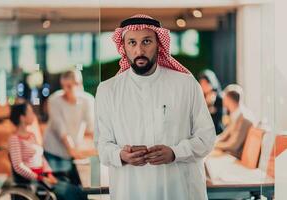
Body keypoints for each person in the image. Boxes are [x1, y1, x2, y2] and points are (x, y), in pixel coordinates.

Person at [94, 14, 216, 200]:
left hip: (179, 191)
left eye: (147, 41)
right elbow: (102, 146)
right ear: (123, 47)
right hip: (130, 190)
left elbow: (206, 138)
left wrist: (175, 153)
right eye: (132, 43)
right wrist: (121, 155)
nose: (139, 50)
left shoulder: (186, 84)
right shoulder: (107, 90)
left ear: (159, 44)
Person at [8, 102, 87, 200]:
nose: (34, 115)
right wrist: (39, 177)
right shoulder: (14, 139)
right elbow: (18, 166)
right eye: (30, 112)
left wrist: (48, 173)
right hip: (32, 181)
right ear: (22, 117)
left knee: (78, 191)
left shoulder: (31, 135)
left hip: (43, 177)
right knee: (70, 194)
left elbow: (41, 157)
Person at [43, 69, 95, 185]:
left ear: (80, 84)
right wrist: (72, 150)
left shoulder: (88, 100)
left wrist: (100, 146)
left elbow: (92, 128)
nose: (69, 89)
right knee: (62, 189)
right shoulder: (54, 100)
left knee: (77, 188)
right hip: (54, 150)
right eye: (66, 86)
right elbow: (61, 130)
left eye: (73, 85)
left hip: (73, 151)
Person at [214, 84, 253, 159]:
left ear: (228, 99)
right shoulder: (235, 114)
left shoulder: (244, 118)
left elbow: (234, 145)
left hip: (237, 156)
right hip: (232, 154)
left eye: (224, 97)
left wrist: (213, 145)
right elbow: (224, 135)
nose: (223, 100)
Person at [199, 69, 224, 135]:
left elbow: (220, 117)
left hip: (215, 130)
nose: (203, 86)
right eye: (201, 83)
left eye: (205, 83)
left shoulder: (219, 98)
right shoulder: (200, 97)